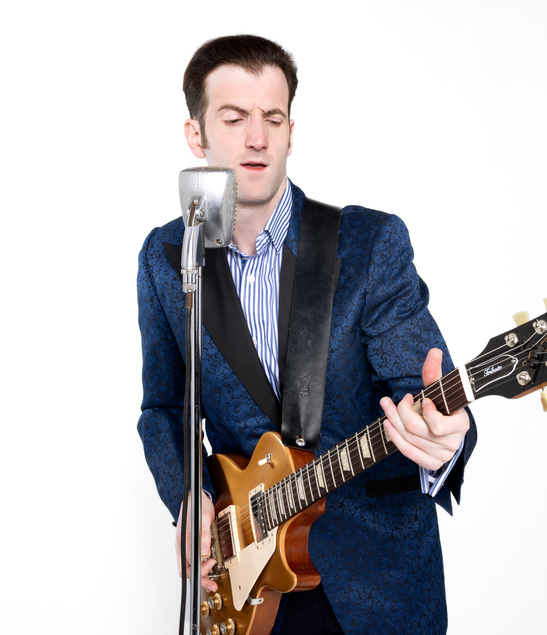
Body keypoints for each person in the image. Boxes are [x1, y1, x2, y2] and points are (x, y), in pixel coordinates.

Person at [138, 34, 477, 634]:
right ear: (197, 134)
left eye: (273, 117)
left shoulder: (368, 245)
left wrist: (445, 440)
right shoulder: (168, 256)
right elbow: (164, 407)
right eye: (234, 117)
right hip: (248, 590)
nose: (257, 138)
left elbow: (422, 387)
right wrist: (190, 498)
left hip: (373, 582)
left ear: (292, 129)